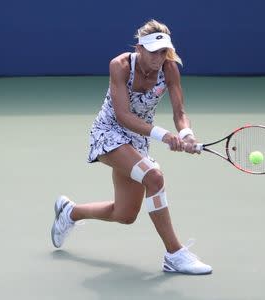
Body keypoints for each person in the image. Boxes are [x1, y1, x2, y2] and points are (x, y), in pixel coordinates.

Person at [51, 19, 212, 275]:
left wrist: (186, 134)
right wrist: (164, 136)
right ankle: (175, 254)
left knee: (124, 214)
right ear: (140, 49)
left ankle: (70, 212)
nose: (159, 57)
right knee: (154, 178)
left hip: (137, 140)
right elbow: (123, 115)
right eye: (153, 51)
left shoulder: (169, 69)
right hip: (109, 133)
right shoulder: (120, 65)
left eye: (163, 51)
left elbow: (179, 111)